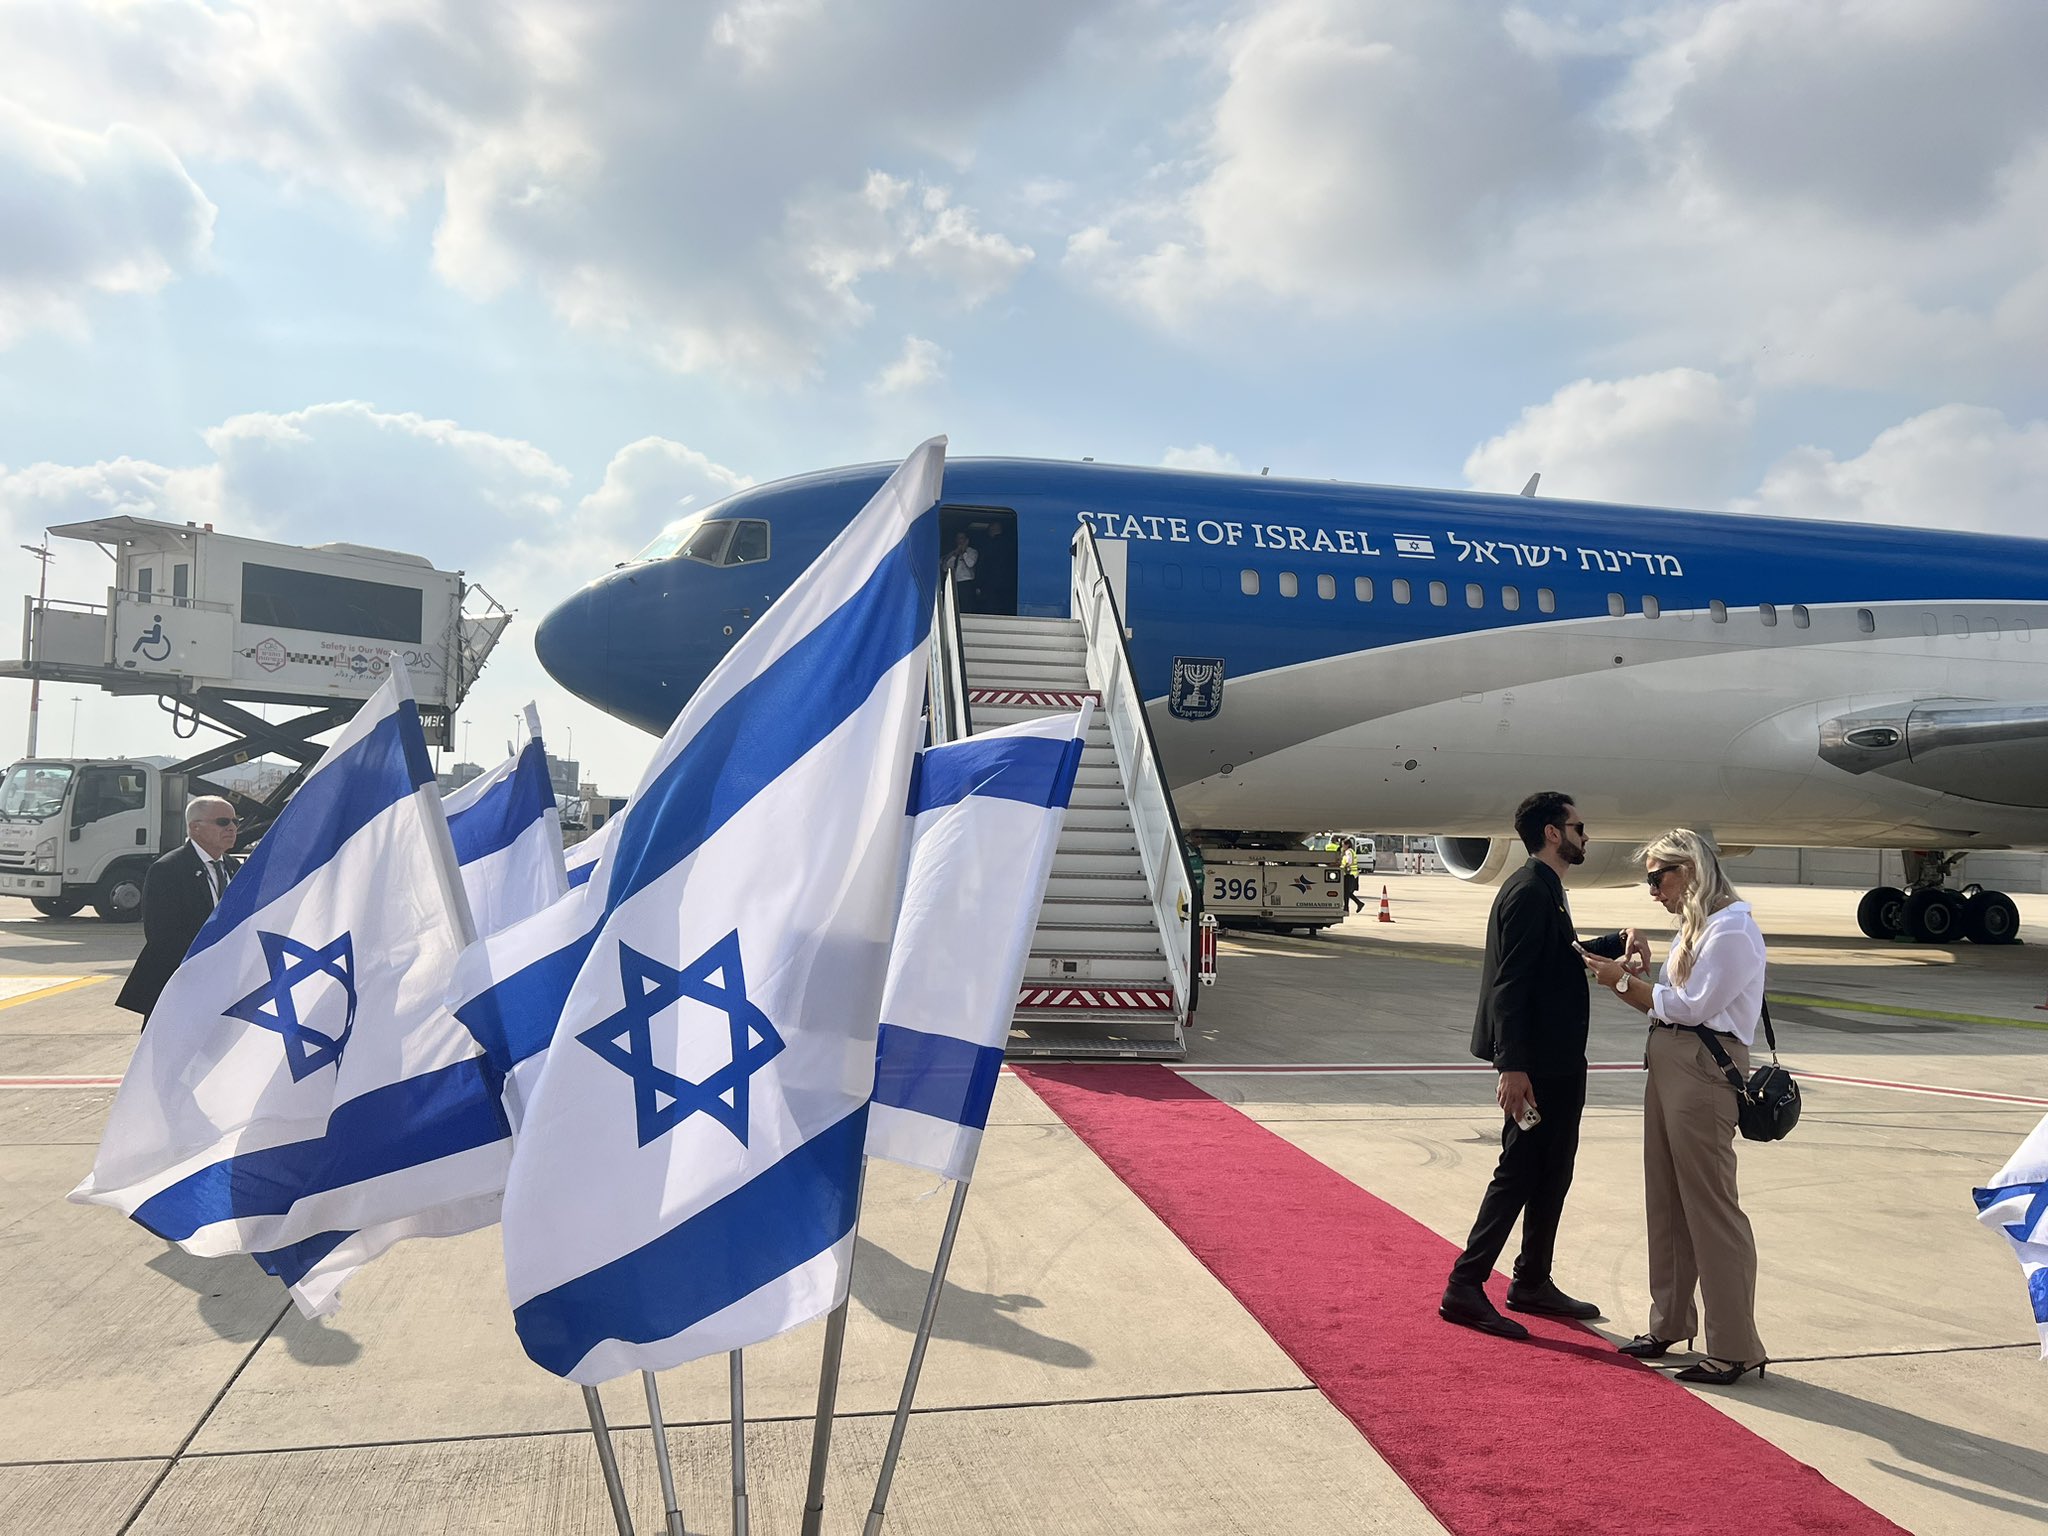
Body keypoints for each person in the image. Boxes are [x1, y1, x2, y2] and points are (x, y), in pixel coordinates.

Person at [1441, 791, 1649, 1339]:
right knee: (1518, 1174)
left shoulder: (1546, 888)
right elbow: (1511, 985)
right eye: (1580, 826)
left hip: (1558, 1063)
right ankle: (1465, 1286)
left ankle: (1532, 1279)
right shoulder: (1531, 891)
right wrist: (1511, 1068)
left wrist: (1613, 941)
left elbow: (1559, 953)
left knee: (1553, 1171)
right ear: (1554, 833)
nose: (1587, 835)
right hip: (1534, 1067)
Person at [1582, 830, 1770, 1385]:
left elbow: (1691, 1008)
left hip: (1702, 1069)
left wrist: (1622, 982)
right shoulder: (1703, 926)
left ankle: (1734, 1346)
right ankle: (1669, 1322)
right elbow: (1671, 1006)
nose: (1652, 891)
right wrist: (1633, 976)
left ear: (1688, 871)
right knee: (1665, 1199)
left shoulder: (1733, 927)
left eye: (1657, 878)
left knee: (1711, 1208)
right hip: (1670, 1060)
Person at [116, 797, 240, 1025]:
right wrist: (205, 962)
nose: (231, 828)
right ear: (195, 827)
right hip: (180, 982)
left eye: (235, 821)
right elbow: (161, 935)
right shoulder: (168, 869)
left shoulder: (233, 867)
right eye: (223, 822)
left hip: (224, 983)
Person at [942, 530, 980, 612]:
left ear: (967, 540)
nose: (960, 541)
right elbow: (945, 567)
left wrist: (963, 552)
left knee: (966, 606)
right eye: (958, 538)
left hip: (966, 583)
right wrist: (955, 555)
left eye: (962, 538)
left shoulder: (972, 552)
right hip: (954, 582)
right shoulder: (953, 552)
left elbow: (970, 564)